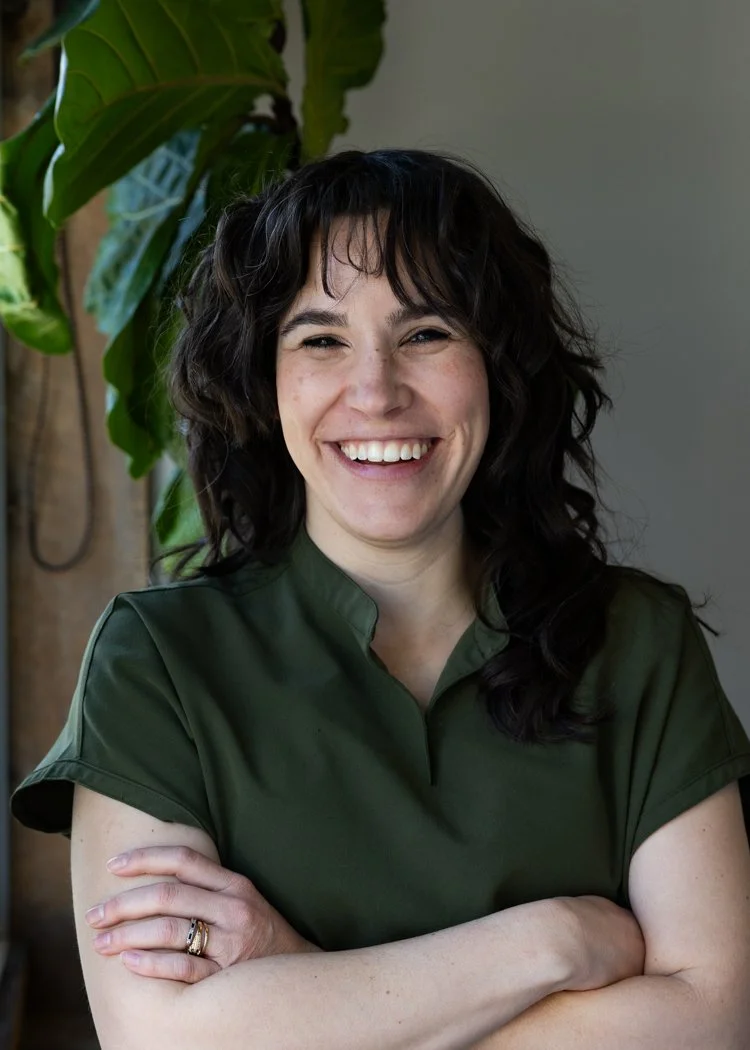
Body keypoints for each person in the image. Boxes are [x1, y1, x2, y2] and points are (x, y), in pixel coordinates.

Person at [11, 149, 750, 1049]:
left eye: (427, 332)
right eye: (321, 339)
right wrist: (557, 941)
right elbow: (165, 1041)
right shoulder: (158, 662)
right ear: (262, 381)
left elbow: (709, 1021)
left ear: (498, 365)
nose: (377, 392)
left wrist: (299, 972)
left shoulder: (638, 641)